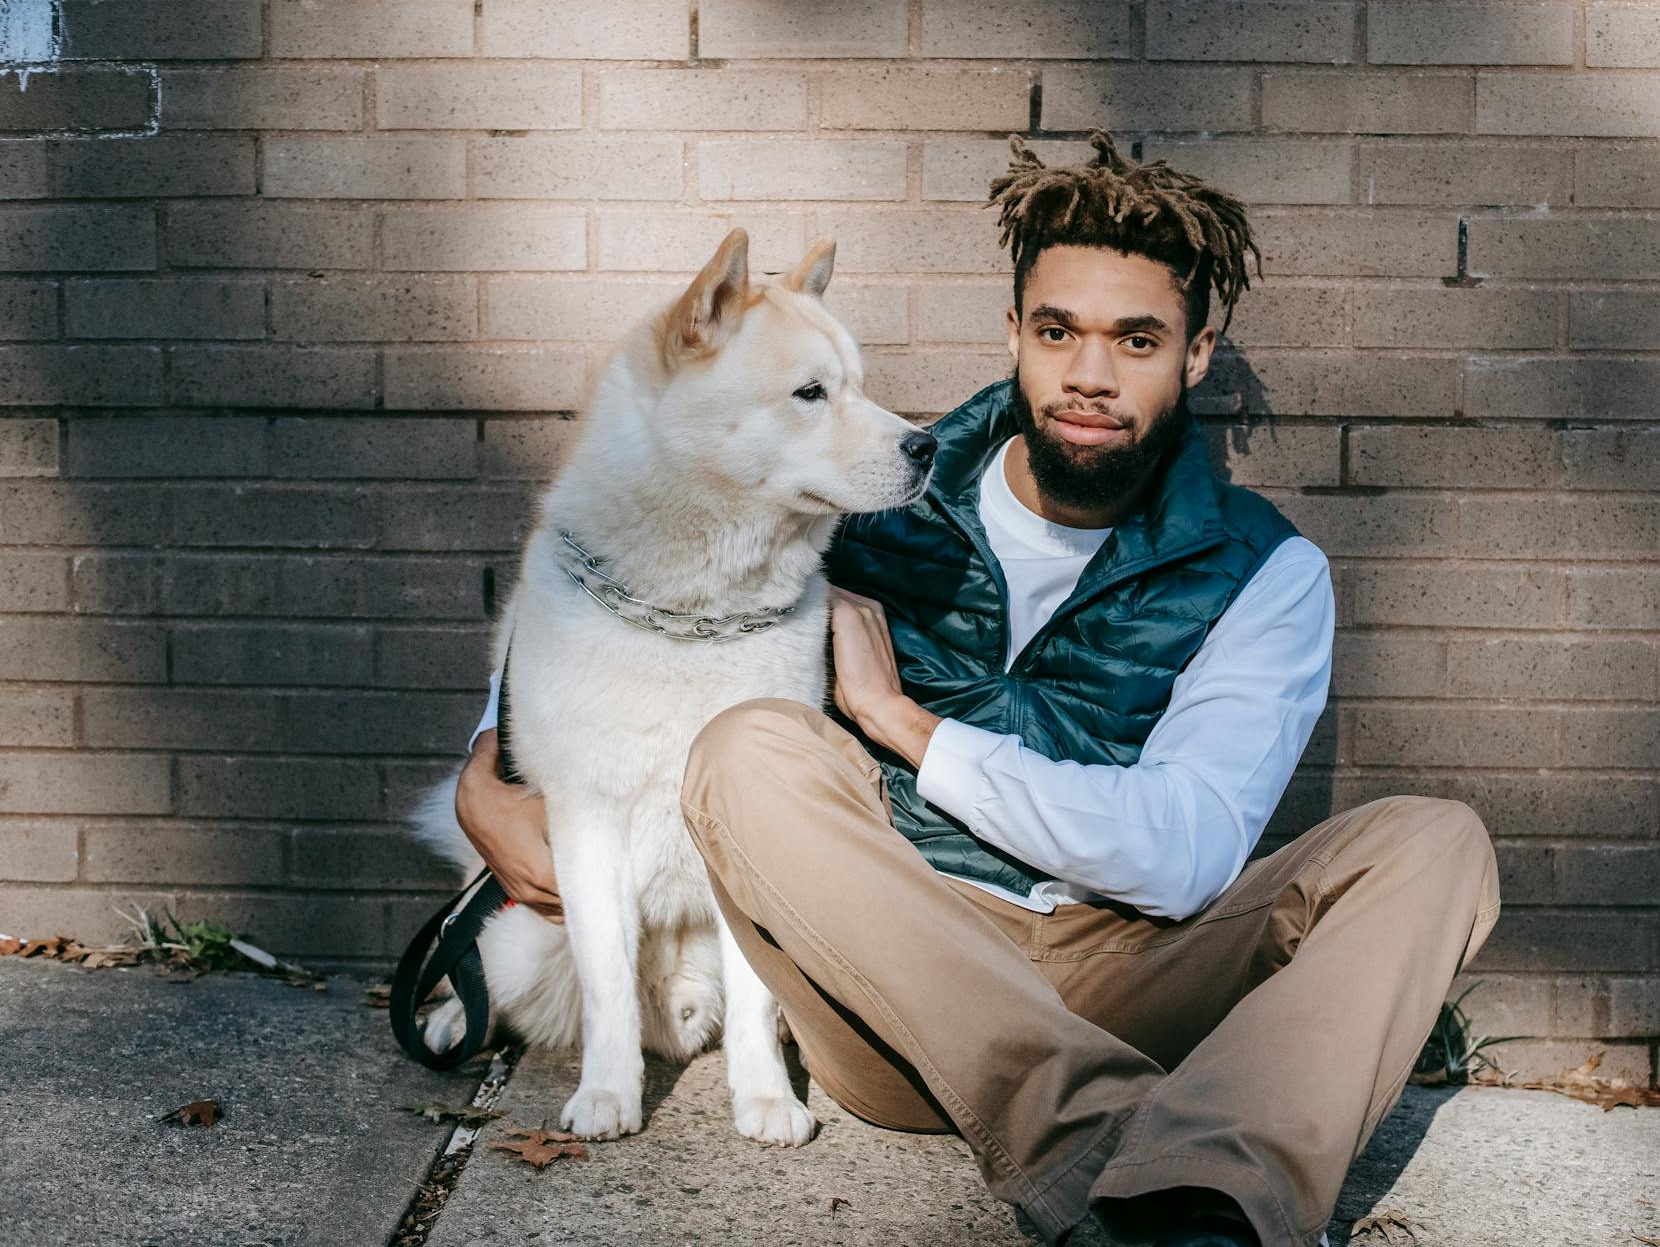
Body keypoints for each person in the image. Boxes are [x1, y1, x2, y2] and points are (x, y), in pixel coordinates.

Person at [456, 130, 1501, 1247]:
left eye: (1136, 340)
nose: (1089, 375)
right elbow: (631, 584)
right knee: (750, 745)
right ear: (1014, 334)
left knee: (1434, 844)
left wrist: (909, 727)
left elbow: (1185, 850)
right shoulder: (881, 476)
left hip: (1129, 966)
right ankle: (1130, 1165)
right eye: (1058, 332)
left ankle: (1209, 1198)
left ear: (1196, 354)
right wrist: (491, 766)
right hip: (891, 970)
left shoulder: (1266, 573)